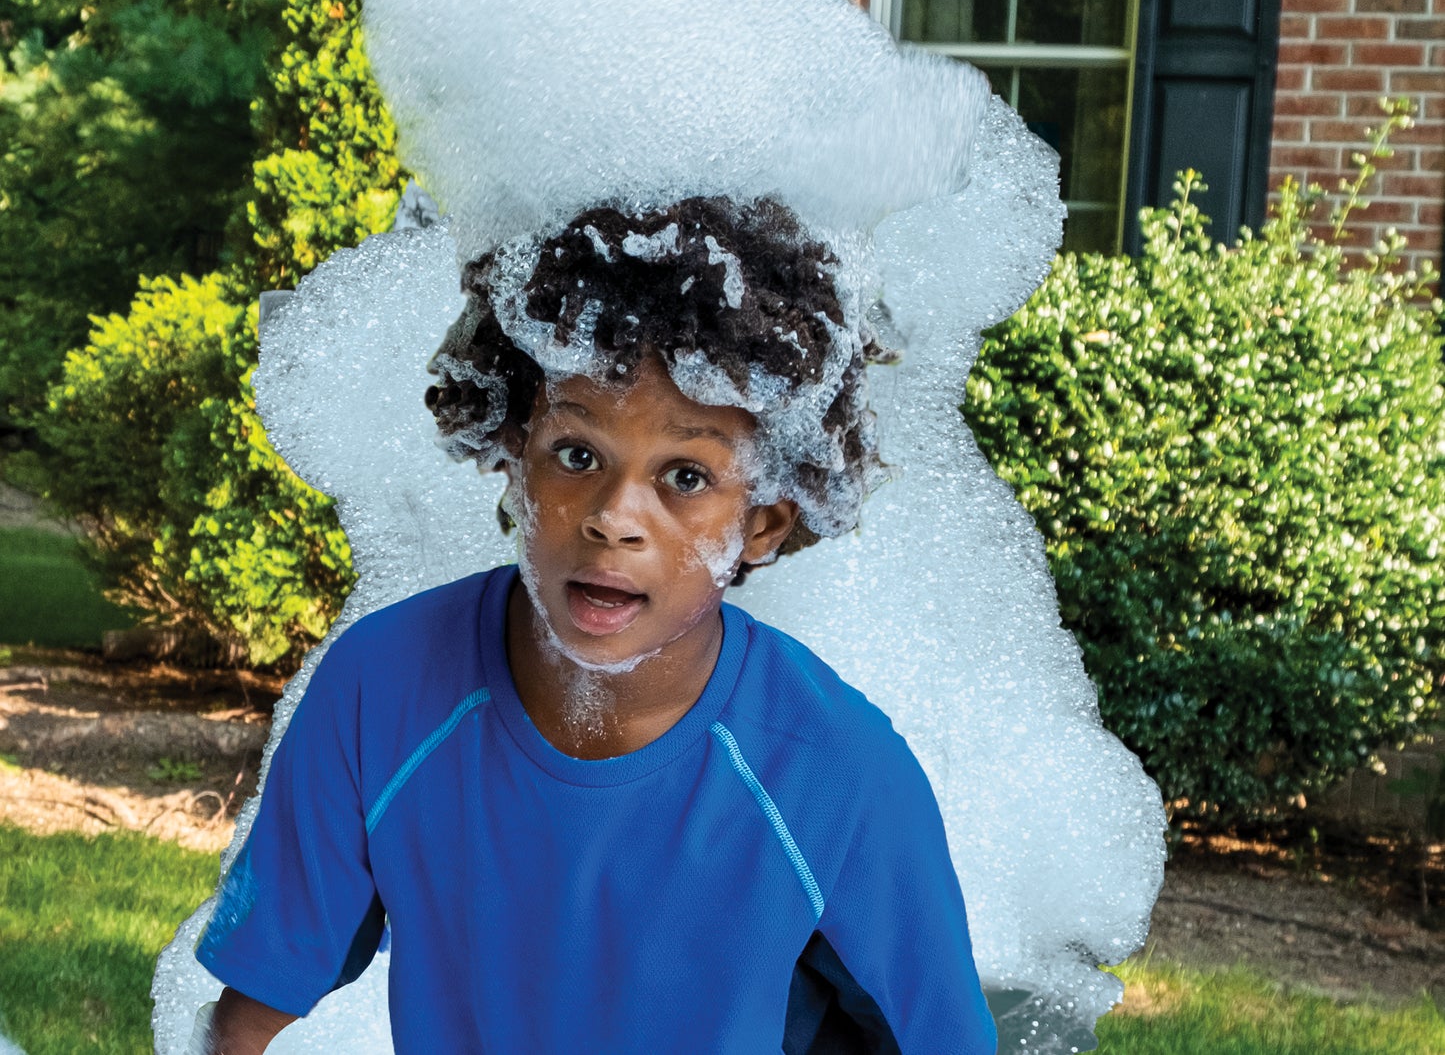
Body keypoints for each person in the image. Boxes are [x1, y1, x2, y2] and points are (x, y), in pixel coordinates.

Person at [193, 195, 998, 1054]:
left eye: (685, 475)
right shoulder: (379, 689)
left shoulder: (835, 775)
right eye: (577, 456)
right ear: (514, 456)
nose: (616, 516)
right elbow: (242, 1023)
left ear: (763, 521)